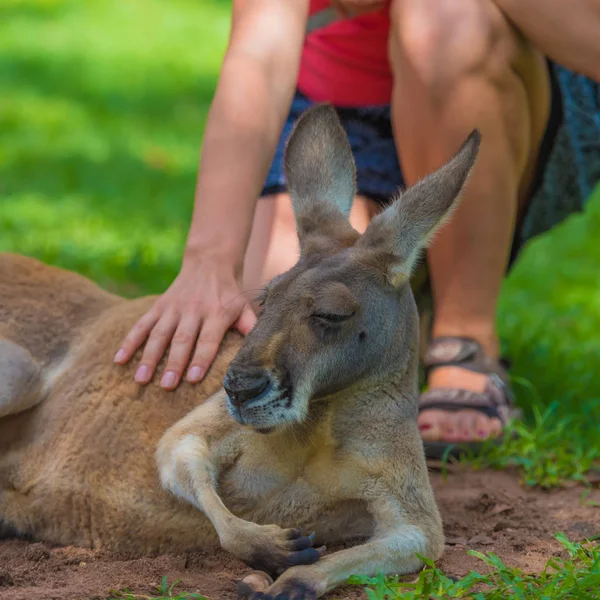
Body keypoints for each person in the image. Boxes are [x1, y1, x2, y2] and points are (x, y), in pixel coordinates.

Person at [112, 0, 600, 457]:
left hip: (492, 101)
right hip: (336, 117)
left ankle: (463, 338)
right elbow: (258, 57)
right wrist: (210, 261)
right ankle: (399, 308)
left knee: (441, 13)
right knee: (288, 328)